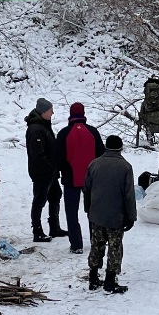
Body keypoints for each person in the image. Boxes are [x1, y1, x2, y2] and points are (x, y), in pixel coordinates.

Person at [84, 135, 137, 294]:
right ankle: (110, 280)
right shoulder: (125, 167)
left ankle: (93, 278)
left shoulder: (94, 164)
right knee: (115, 246)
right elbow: (129, 195)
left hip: (97, 214)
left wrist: (89, 209)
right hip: (115, 216)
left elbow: (86, 189)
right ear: (121, 148)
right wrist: (131, 216)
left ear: (106, 147)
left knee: (97, 244)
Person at [55, 102, 105, 254]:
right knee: (93, 211)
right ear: (83, 114)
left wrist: (59, 171)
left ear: (70, 114)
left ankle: (76, 244)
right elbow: (101, 154)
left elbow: (58, 158)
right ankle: (96, 240)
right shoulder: (93, 132)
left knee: (72, 212)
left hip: (70, 178)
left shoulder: (64, 133)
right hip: (91, 179)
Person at [26, 98, 68, 242]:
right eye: (50, 110)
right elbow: (37, 155)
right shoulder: (36, 129)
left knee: (55, 195)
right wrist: (49, 168)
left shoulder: (43, 125)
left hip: (50, 171)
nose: (52, 113)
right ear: (43, 112)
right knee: (40, 199)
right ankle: (37, 231)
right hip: (42, 172)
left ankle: (54, 227)